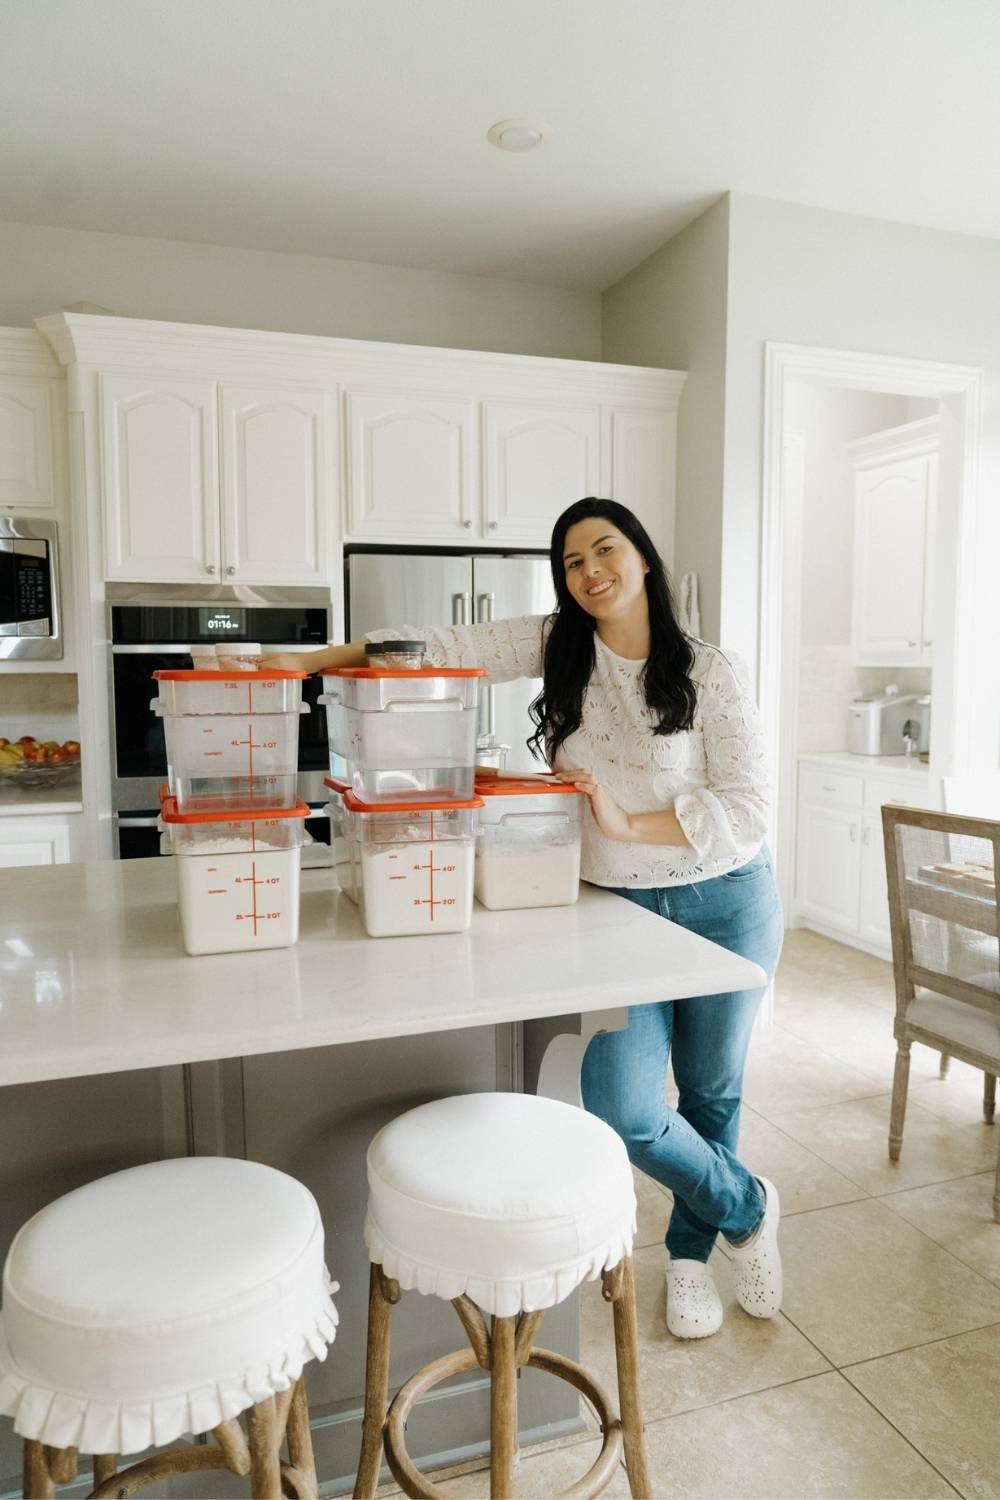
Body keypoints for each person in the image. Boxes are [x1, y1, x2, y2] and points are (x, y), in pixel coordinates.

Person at [262, 498, 783, 1340]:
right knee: (625, 1108)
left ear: (643, 558)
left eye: (605, 550)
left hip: (727, 899)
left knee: (712, 1092)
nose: (590, 571)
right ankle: (746, 1206)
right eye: (573, 561)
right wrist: (301, 666)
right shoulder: (555, 646)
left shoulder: (712, 671)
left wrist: (623, 822)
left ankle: (689, 1257)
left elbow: (751, 806)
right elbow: (427, 647)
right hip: (620, 909)